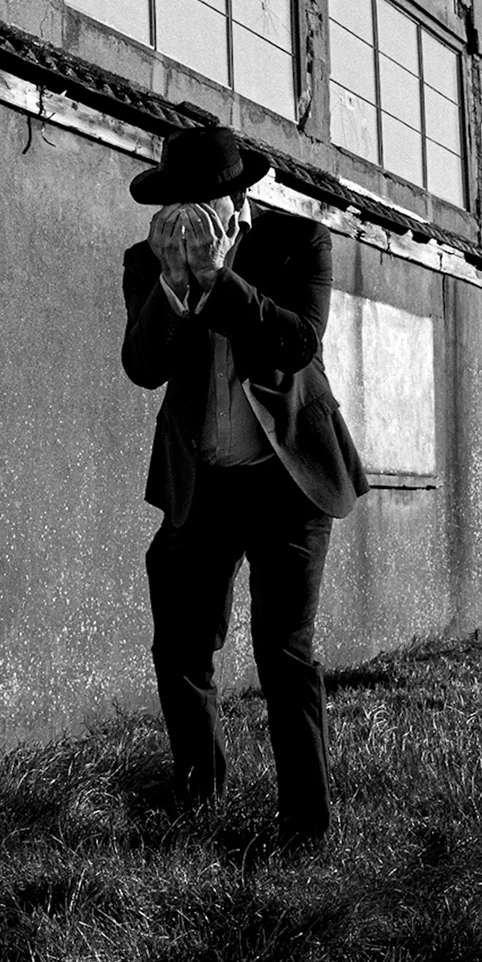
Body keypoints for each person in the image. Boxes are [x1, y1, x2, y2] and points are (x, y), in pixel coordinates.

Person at [120, 125, 368, 845]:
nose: (189, 221)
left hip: (289, 481)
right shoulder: (146, 262)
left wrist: (218, 278)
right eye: (177, 207)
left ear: (237, 200)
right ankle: (198, 798)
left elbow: (297, 344)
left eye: (205, 204)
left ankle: (307, 828)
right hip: (203, 482)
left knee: (284, 651)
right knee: (181, 647)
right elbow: (143, 366)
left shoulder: (298, 243)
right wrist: (174, 284)